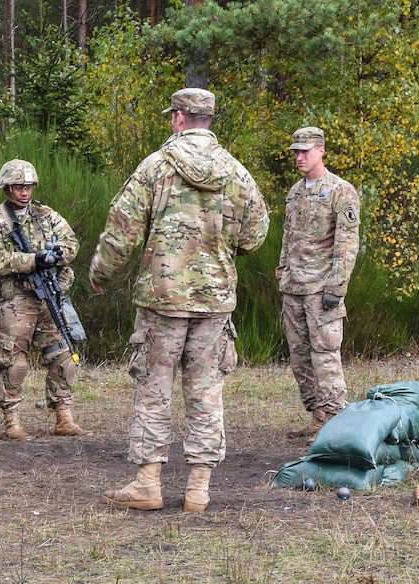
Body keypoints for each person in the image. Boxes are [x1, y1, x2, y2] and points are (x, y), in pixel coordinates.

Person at [88, 88, 269, 513]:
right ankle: (198, 489)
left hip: (162, 299)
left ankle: (148, 483)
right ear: (208, 119)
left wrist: (101, 274)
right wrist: (220, 250)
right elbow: (256, 233)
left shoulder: (155, 167)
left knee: (155, 388)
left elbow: (122, 230)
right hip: (215, 300)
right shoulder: (236, 172)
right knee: (206, 392)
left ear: (178, 118)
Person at [0, 159, 90, 440]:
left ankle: (63, 414)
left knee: (63, 356)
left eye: (28, 186)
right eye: (18, 187)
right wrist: (31, 260)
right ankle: (12, 420)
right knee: (14, 362)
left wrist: (57, 255)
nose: (24, 192)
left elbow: (71, 242)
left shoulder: (46, 214)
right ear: (7, 188)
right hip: (14, 301)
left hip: (48, 296)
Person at [278, 126, 360, 439]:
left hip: (321, 289)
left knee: (324, 354)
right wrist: (282, 273)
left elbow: (346, 242)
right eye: (296, 151)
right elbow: (288, 237)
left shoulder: (341, 191)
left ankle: (334, 420)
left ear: (321, 150)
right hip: (294, 287)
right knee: (299, 356)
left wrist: (336, 288)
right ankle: (317, 415)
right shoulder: (295, 192)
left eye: (305, 150)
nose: (300, 156)